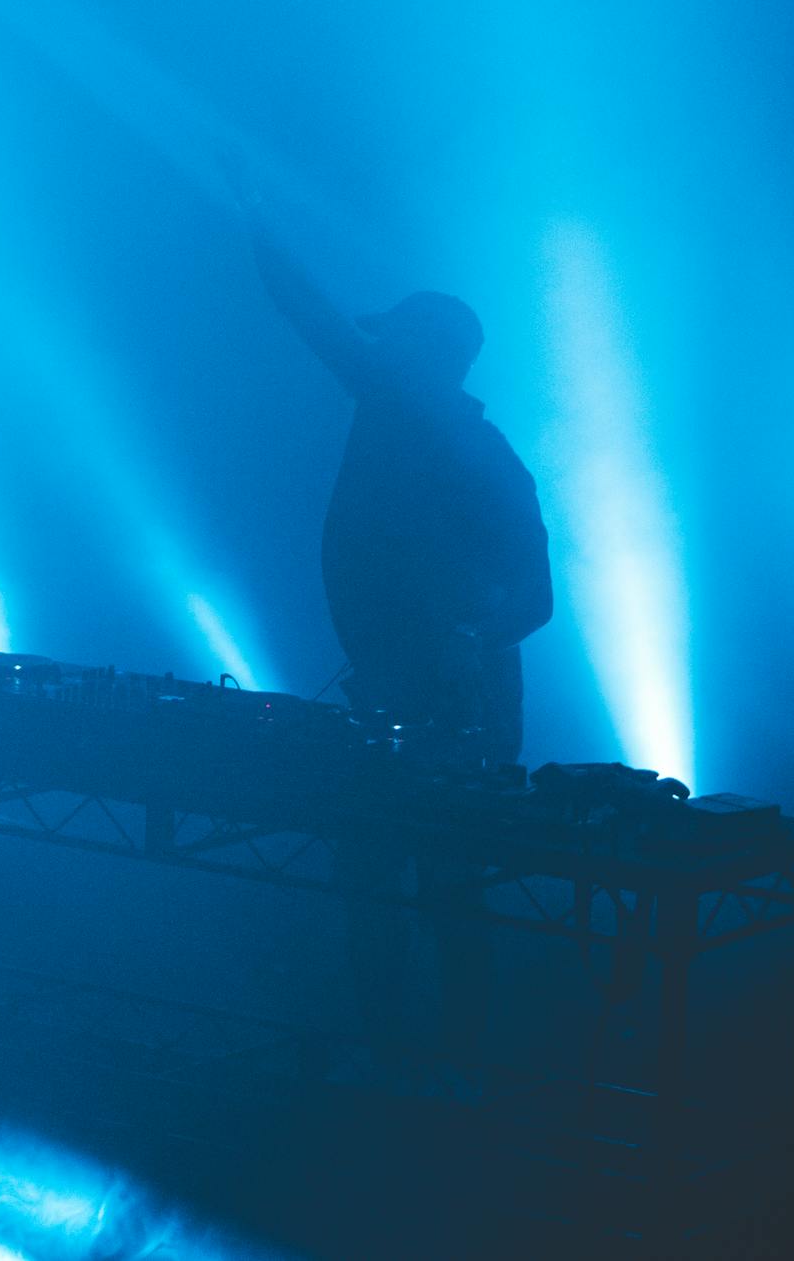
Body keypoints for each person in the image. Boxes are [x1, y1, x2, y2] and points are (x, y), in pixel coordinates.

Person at [228, 163, 553, 1071]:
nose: (373, 356)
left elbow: (537, 600)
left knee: (445, 887)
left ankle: (451, 1069)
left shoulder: (488, 462)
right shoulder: (398, 421)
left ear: (426, 354)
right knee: (371, 880)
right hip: (387, 701)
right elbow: (315, 320)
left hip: (461, 722)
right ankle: (398, 1063)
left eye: (395, 343)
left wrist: (468, 638)